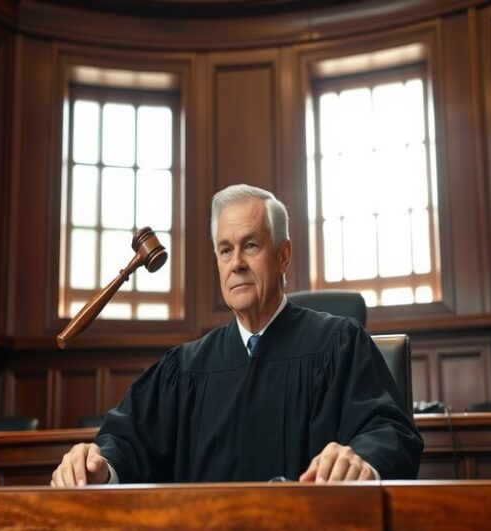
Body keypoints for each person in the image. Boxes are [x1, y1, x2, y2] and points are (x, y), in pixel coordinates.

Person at [51, 184, 423, 486]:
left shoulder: (339, 343)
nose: (236, 264)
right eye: (225, 251)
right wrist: (99, 465)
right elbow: (128, 443)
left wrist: (359, 461)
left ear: (283, 256)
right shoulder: (185, 369)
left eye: (250, 245)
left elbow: (388, 431)